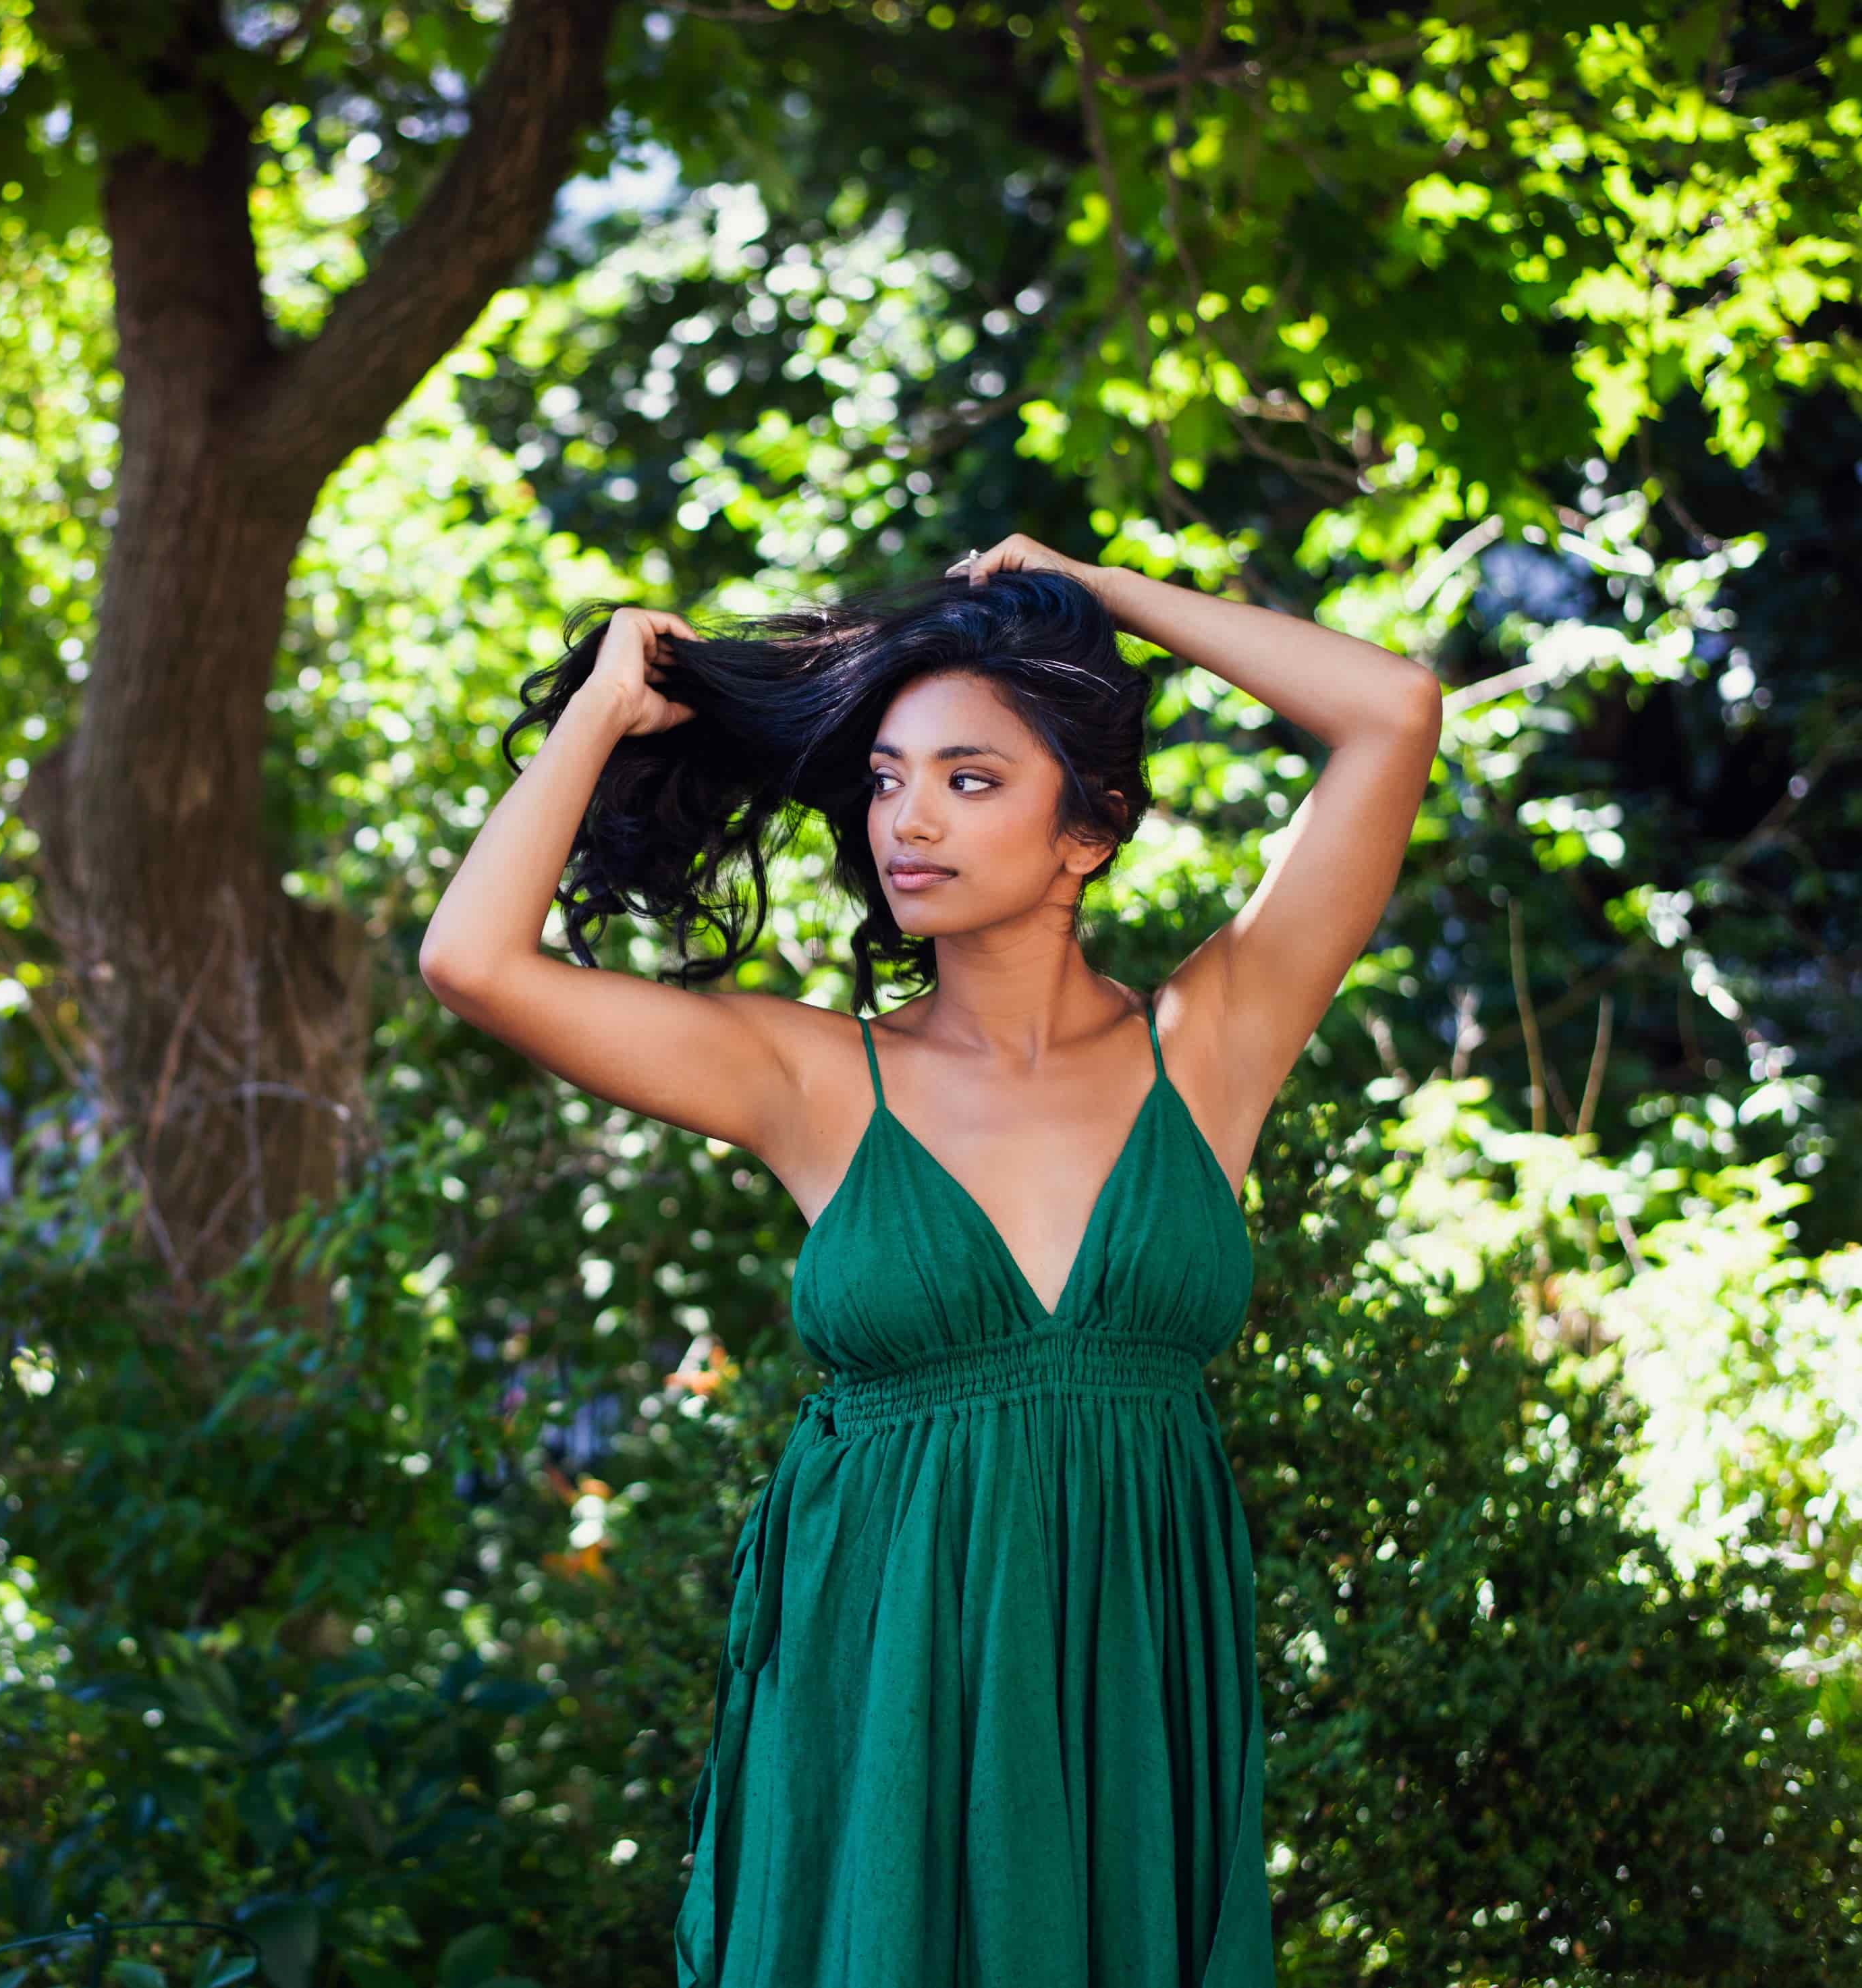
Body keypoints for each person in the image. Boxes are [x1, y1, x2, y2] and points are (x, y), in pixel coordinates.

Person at [416, 533, 1444, 1987]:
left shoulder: (1208, 1046)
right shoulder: (812, 1077)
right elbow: (474, 962)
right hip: (880, 1682)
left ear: (1088, 828)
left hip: (1122, 1688)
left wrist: (1098, 594)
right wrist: (599, 705)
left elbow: (1392, 711)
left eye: (971, 781)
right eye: (889, 780)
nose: (912, 821)